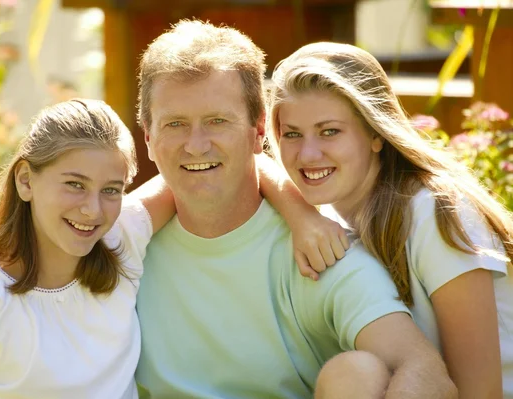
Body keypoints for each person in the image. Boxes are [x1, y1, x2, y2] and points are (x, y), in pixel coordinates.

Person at [0, 98, 349, 398]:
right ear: (26, 181)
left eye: (111, 189)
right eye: (74, 184)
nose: (92, 210)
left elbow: (230, 164)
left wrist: (303, 215)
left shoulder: (120, 240)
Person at [134, 19, 456, 398]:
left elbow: (422, 368)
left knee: (360, 372)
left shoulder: (318, 252)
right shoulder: (121, 247)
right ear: (149, 137)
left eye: (217, 121)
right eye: (175, 124)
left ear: (258, 132)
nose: (196, 145)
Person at [266, 41, 513, 399]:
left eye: (329, 131)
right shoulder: (323, 218)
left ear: (375, 134)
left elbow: (482, 391)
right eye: (291, 134)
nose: (308, 153)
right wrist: (295, 211)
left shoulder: (435, 211)